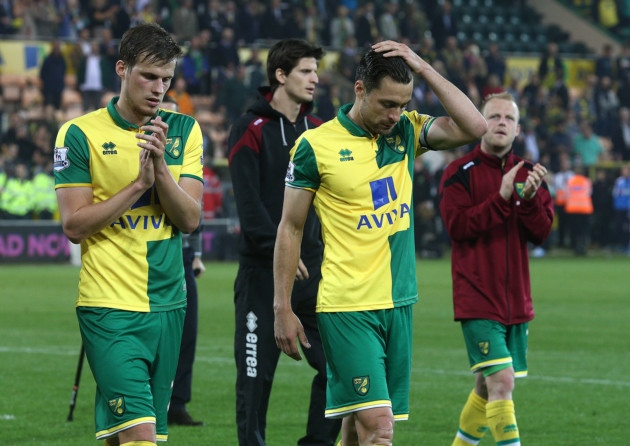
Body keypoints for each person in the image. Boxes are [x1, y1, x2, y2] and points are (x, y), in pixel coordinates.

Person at [273, 41, 487, 446]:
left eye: (403, 104)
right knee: (379, 427)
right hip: (347, 306)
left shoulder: (406, 131)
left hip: (399, 301)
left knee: (356, 427)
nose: (396, 115)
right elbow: (291, 227)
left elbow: (475, 127)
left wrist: (423, 67)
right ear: (359, 90)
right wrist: (282, 306)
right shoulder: (315, 146)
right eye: (387, 103)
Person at [53, 23, 204, 445]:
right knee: (141, 437)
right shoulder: (80, 133)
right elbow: (74, 225)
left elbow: (189, 219)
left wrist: (159, 172)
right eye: (149, 76)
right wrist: (137, 186)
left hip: (169, 302)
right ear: (122, 69)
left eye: (167, 79)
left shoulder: (183, 131)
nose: (159, 88)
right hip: (109, 307)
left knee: (123, 435)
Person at [227, 38, 341, 446]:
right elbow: (250, 207)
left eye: (316, 71)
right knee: (255, 380)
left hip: (314, 277)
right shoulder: (249, 128)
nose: (315, 79)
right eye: (306, 71)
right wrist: (283, 255)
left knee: (338, 370)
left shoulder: (319, 131)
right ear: (280, 75)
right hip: (262, 275)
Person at [438, 92, 554, 446]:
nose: (501, 122)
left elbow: (541, 233)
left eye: (508, 118)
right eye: (494, 116)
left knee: (487, 387)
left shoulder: (531, 175)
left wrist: (530, 201)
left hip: (516, 301)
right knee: (502, 381)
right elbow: (457, 227)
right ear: (480, 124)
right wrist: (502, 198)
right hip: (477, 298)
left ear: (518, 130)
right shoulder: (458, 173)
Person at [159, 95, 206, 426]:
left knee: (187, 333)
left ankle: (177, 402)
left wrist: (198, 255)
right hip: (152, 248)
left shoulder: (187, 146)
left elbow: (195, 212)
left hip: (183, 253)